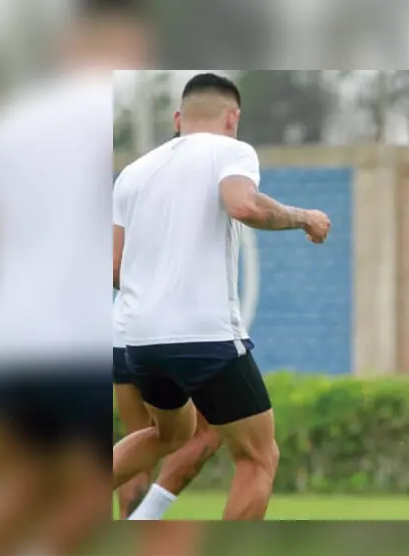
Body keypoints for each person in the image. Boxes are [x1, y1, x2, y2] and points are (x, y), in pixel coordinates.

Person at [0, 2, 149, 556]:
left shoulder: (10, 120)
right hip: (76, 342)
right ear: (132, 42)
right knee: (103, 482)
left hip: (2, 339)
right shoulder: (120, 117)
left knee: (23, 487)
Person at [111, 72, 332, 520]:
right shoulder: (231, 151)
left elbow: (115, 268)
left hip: (139, 341)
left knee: (171, 435)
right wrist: (303, 217)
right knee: (258, 456)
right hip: (204, 338)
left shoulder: (133, 173)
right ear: (233, 117)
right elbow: (244, 205)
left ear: (179, 117)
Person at [114, 291, 222, 520]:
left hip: (124, 330)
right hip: (174, 333)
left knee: (142, 442)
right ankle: (144, 517)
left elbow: (115, 268)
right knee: (209, 431)